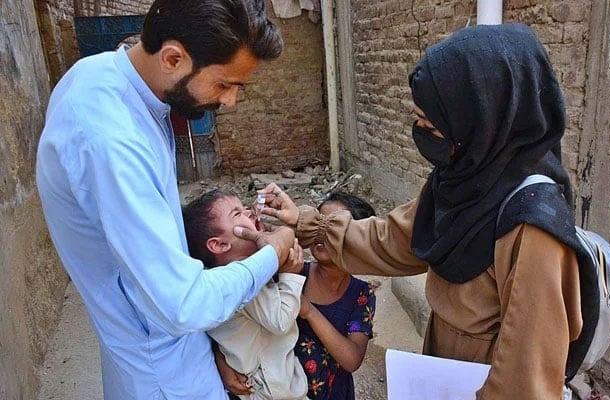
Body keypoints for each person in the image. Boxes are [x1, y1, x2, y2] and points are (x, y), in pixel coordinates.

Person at [245, 24, 583, 399]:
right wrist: (308, 222)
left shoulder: (532, 225)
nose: (420, 131)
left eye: (431, 124)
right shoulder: (462, 182)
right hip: (446, 366)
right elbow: (393, 238)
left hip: (487, 377)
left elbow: (526, 376)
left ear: (480, 118)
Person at [35, 1, 294, 399]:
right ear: (173, 58)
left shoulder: (106, 76)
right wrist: (271, 255)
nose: (230, 102)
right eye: (225, 84)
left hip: (162, 345)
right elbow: (182, 304)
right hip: (163, 370)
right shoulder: (110, 139)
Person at [182, 189, 309, 400]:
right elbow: (280, 320)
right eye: (237, 213)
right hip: (270, 390)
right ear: (220, 245)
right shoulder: (241, 282)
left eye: (246, 208)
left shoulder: (218, 278)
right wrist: (290, 275)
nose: (250, 213)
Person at [294, 192, 377, 400]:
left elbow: (352, 359)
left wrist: (309, 311)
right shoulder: (293, 276)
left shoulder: (361, 294)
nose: (321, 235)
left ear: (358, 243)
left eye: (334, 229)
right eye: (318, 225)